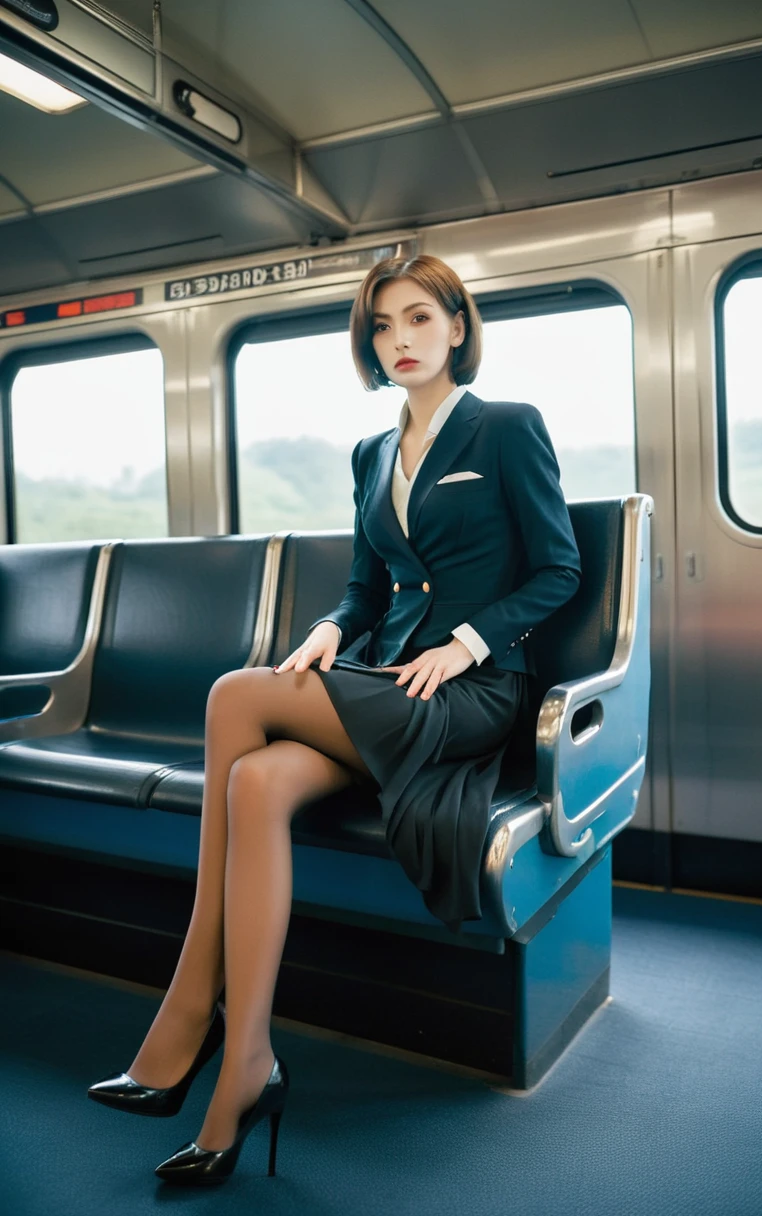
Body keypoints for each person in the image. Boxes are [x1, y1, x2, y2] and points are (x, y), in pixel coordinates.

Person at [87, 253, 581, 1185]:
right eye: (384, 327)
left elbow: (558, 572)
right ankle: (249, 1063)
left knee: (236, 693)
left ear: (458, 329)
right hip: (383, 680)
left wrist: (466, 643)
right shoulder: (370, 454)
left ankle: (191, 1007)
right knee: (255, 779)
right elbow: (365, 588)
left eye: (421, 321)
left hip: (470, 692)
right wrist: (323, 630)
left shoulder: (510, 428)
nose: (401, 341)